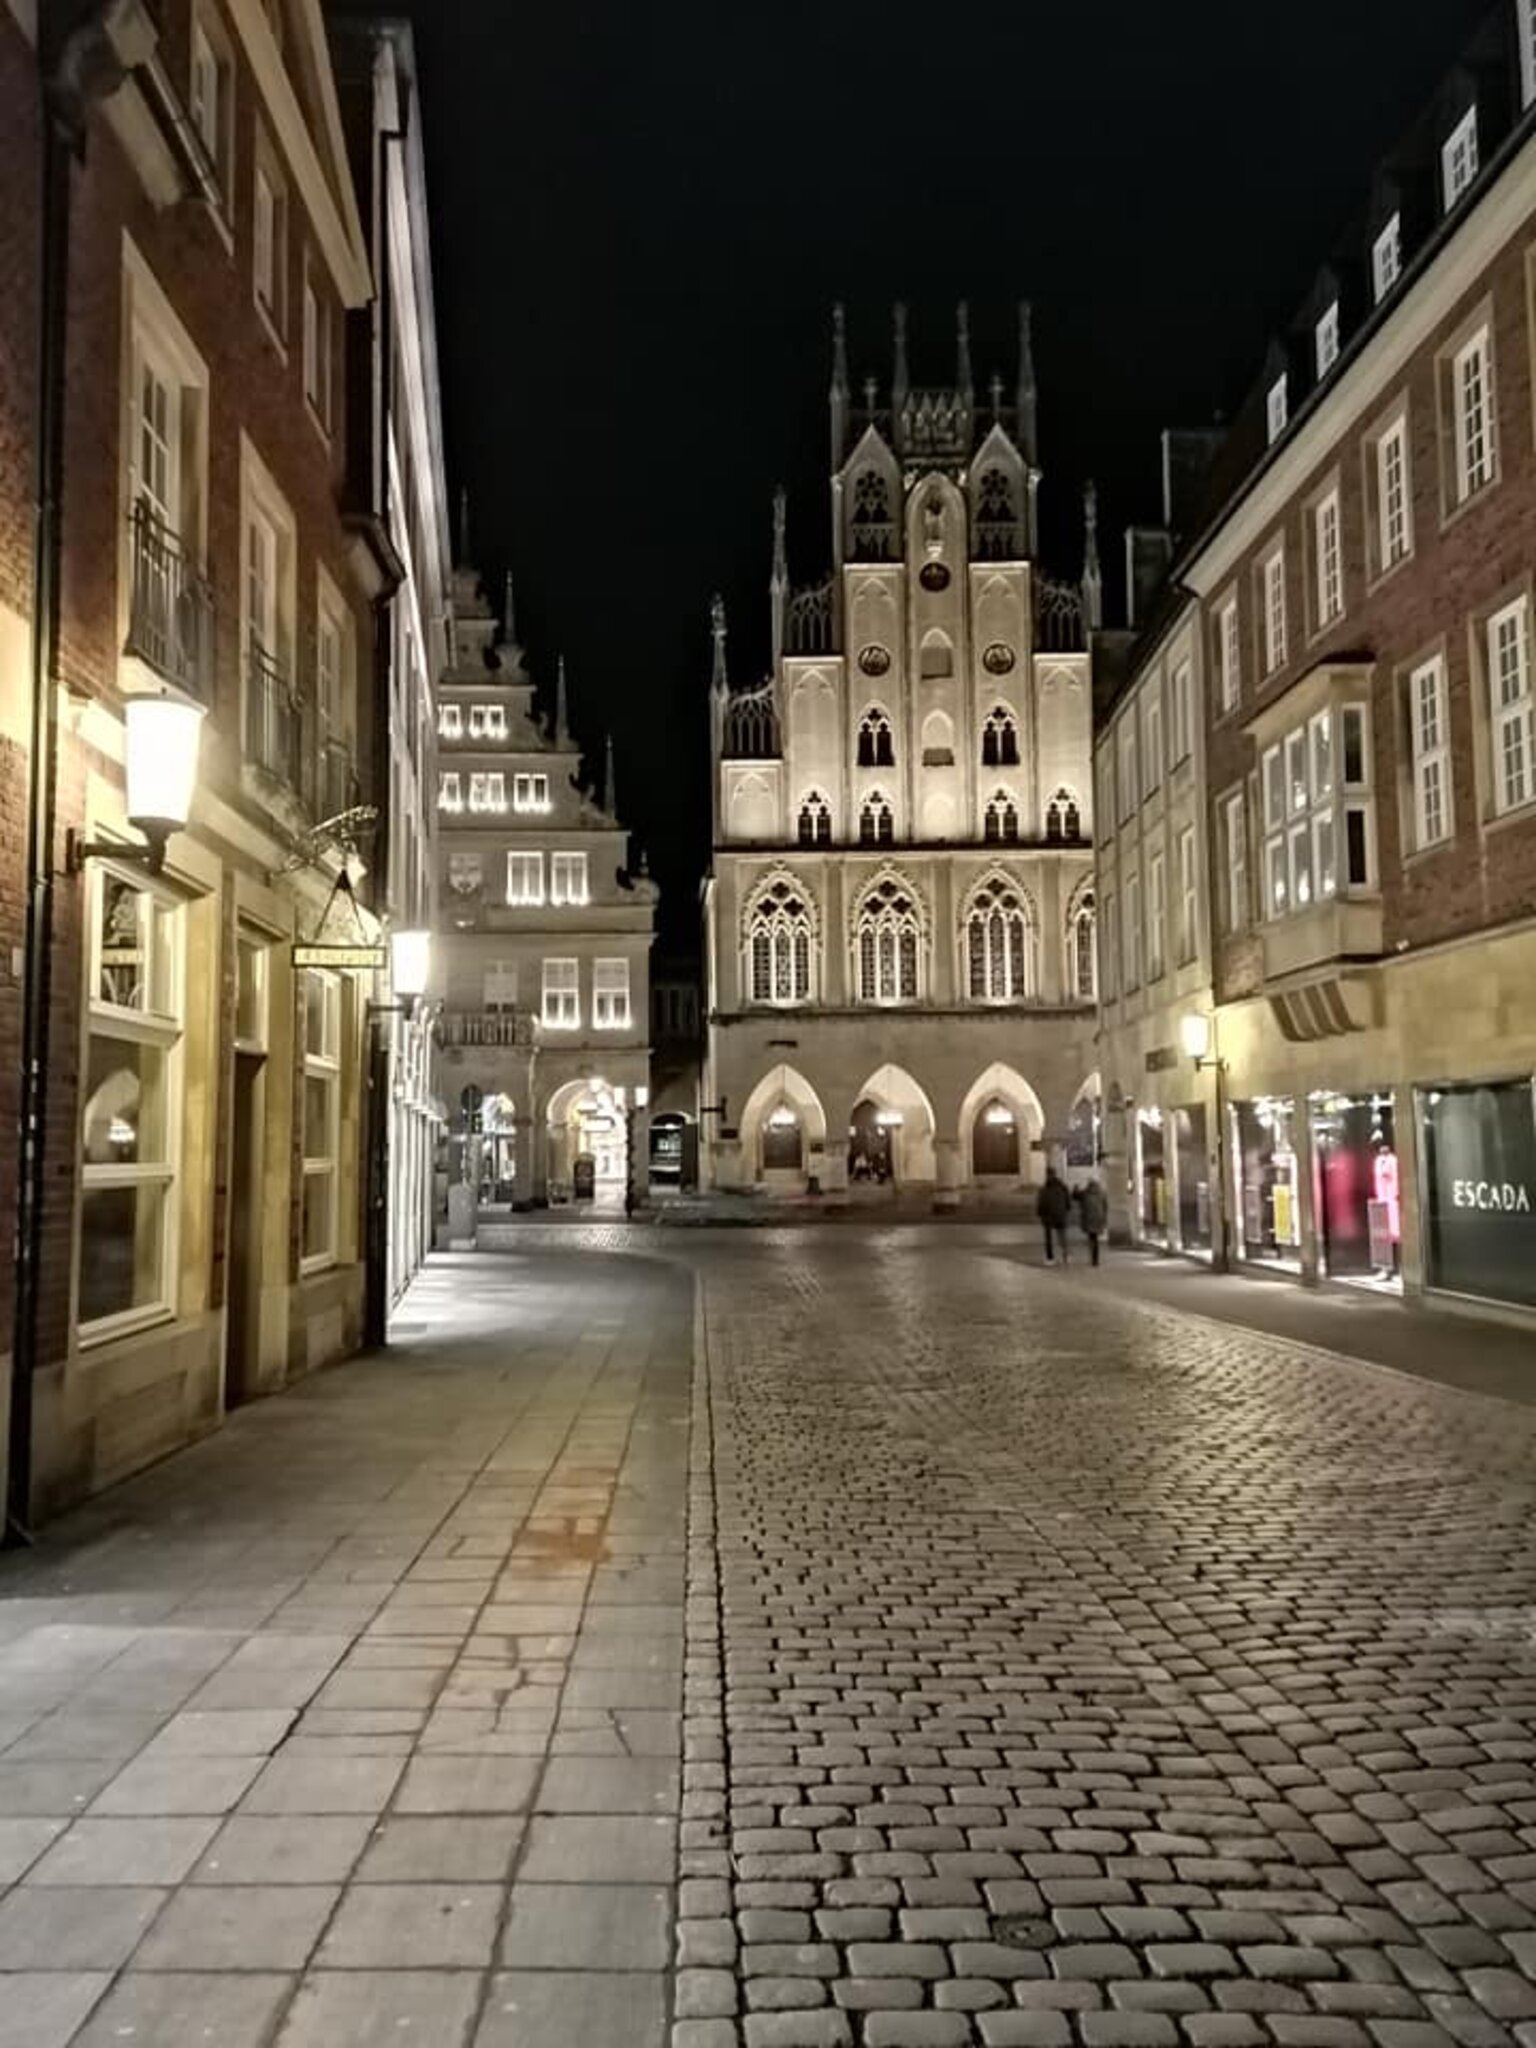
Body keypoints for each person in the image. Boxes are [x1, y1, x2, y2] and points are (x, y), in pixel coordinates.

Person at [1037, 1167, 1071, 1265]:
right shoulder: (1063, 1187)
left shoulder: (1044, 1189)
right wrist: (1065, 1210)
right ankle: (1066, 1255)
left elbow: (1041, 1203)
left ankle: (1050, 1258)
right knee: (1063, 1236)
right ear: (1055, 1174)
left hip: (1048, 1215)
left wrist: (1040, 1213)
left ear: (1047, 1175)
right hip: (1061, 1214)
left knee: (1048, 1238)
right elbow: (1068, 1202)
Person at [1077, 1177, 1108, 1267]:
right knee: (1095, 1240)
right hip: (1098, 1218)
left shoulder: (1085, 1193)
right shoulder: (1102, 1193)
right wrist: (1104, 1218)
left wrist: (1076, 1188)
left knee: (1091, 1239)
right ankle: (1095, 1260)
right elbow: (1105, 1206)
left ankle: (1092, 1258)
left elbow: (1076, 1196)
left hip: (1088, 1218)